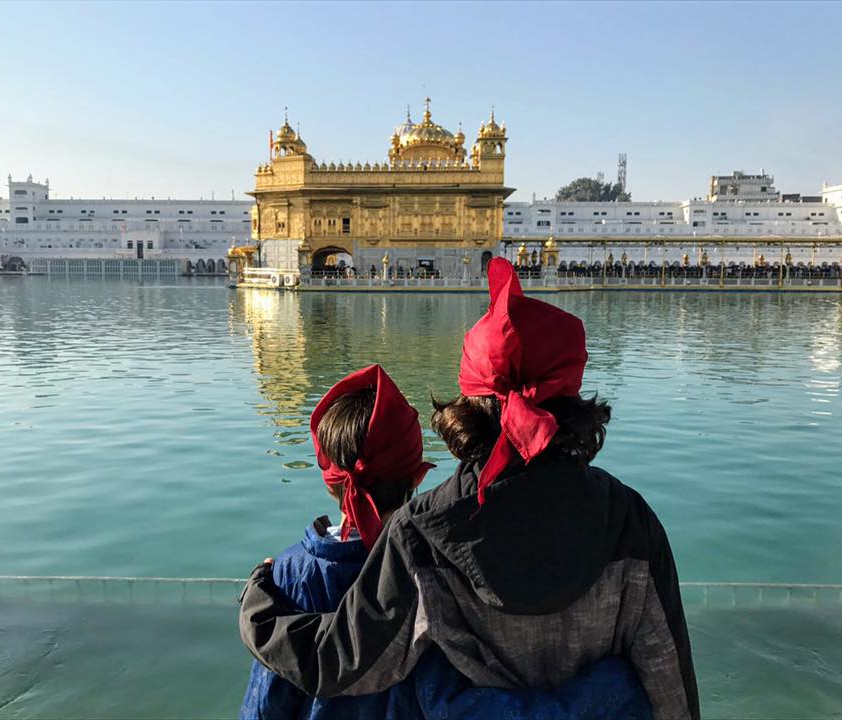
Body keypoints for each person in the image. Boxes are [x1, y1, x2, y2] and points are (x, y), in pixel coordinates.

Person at [241, 258, 698, 719]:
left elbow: (344, 664)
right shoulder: (628, 519)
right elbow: (667, 675)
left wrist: (258, 609)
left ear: (468, 399)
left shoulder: (423, 531)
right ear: (572, 396)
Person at [240, 363, 652, 720]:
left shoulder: (290, 575)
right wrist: (614, 687)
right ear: (418, 475)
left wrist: (259, 598)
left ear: (329, 478)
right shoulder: (440, 560)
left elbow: (265, 704)